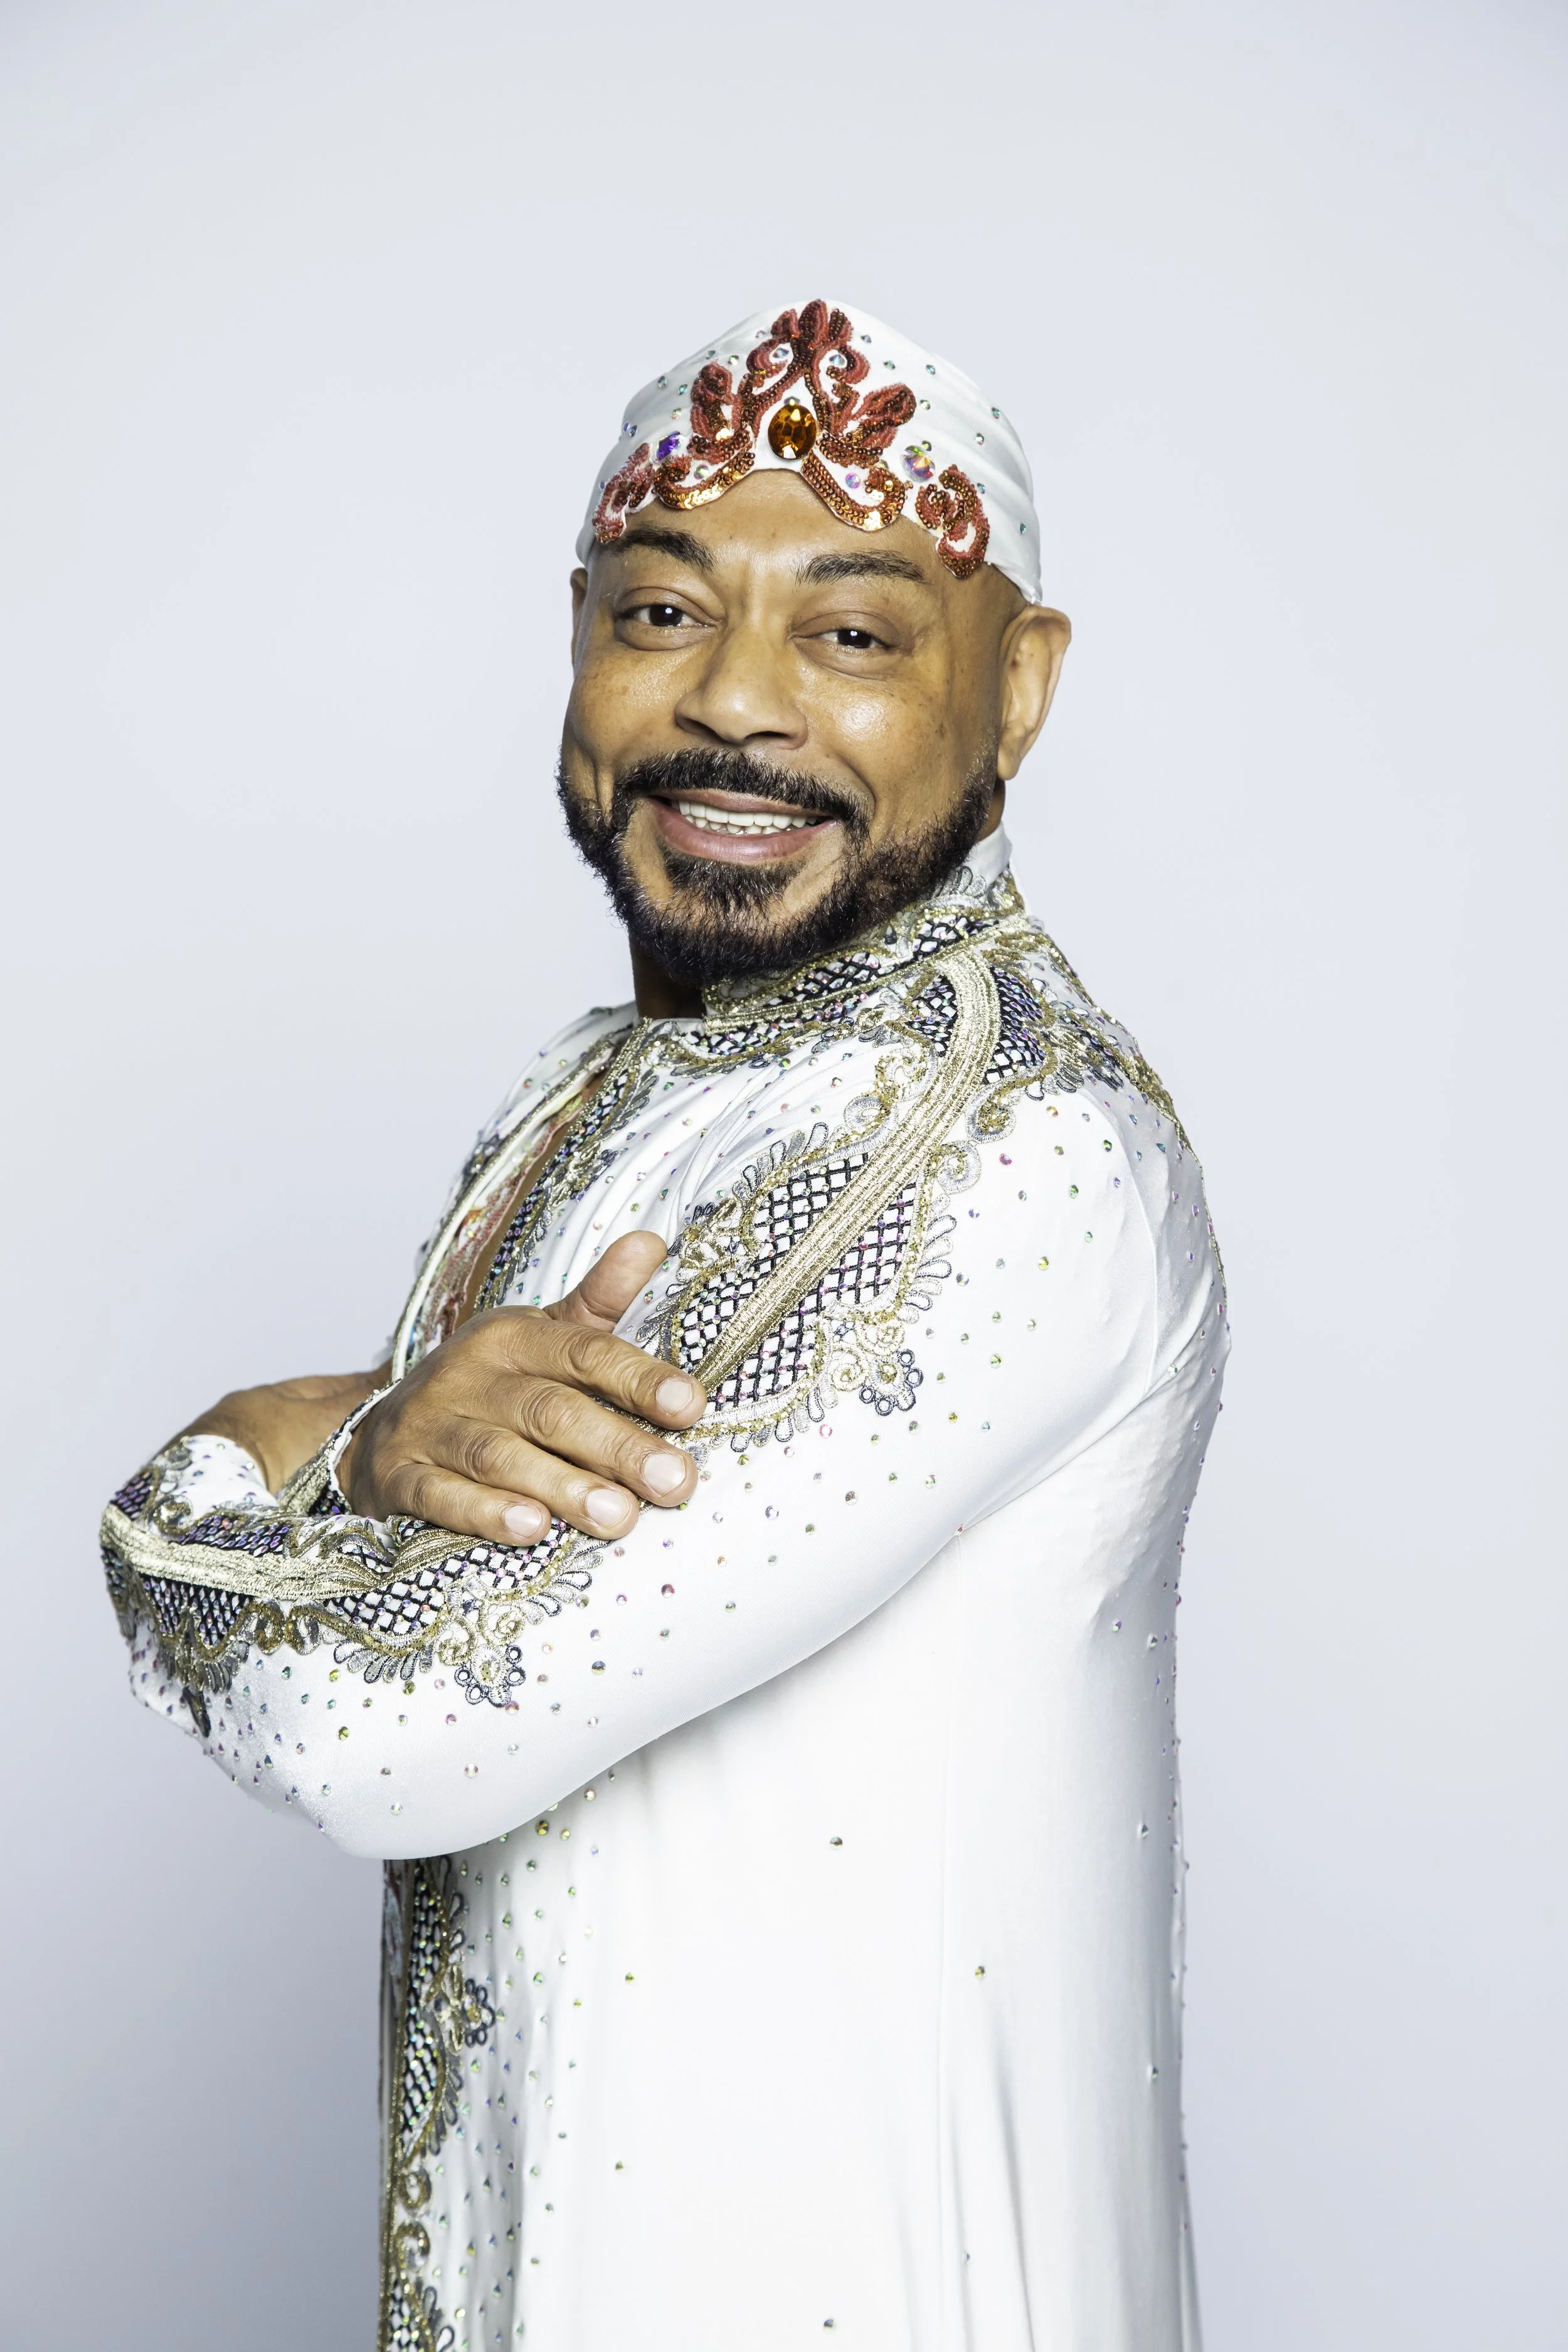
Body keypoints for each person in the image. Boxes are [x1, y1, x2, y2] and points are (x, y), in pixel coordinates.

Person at [101, 298, 1228, 2352]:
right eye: (655, 615)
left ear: (1020, 687)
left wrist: (239, 1453)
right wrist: (388, 1441)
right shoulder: (589, 1089)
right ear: (572, 645)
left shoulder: (1009, 1142)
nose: (731, 705)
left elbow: (393, 1717)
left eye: (855, 633)